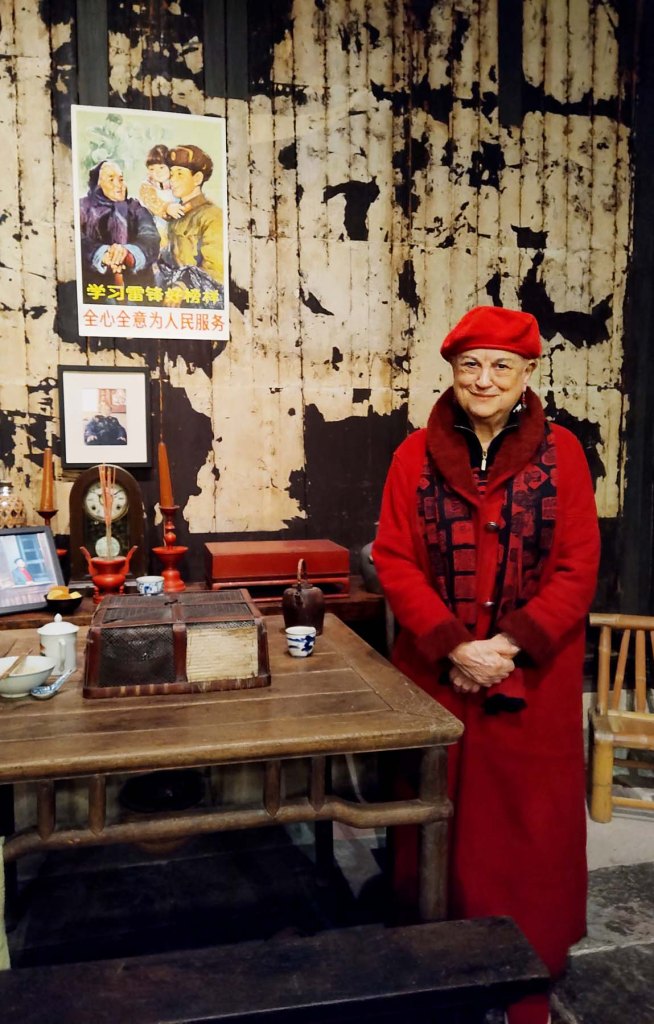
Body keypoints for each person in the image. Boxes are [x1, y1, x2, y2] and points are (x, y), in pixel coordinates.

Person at [373, 306, 600, 1024]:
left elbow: (578, 566)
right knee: (435, 823)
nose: (485, 379)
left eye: (502, 365)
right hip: (437, 673)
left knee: (529, 830)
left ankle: (530, 970)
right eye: (470, 364)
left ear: (528, 373)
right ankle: (438, 961)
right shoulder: (414, 455)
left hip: (531, 678)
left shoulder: (564, 454)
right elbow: (393, 559)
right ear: (452, 370)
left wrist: (503, 648)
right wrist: (454, 646)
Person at [156, 144, 224, 306]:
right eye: (171, 174)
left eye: (180, 174)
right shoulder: (176, 216)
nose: (172, 180)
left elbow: (215, 272)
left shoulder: (212, 216)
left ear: (197, 178)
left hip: (199, 303)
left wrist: (182, 286)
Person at [79, 160, 160, 294]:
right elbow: (76, 239)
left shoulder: (136, 208)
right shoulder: (83, 208)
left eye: (121, 179)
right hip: (96, 288)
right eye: (111, 180)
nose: (119, 185)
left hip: (136, 288)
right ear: (98, 185)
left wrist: (128, 254)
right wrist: (102, 254)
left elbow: (150, 236)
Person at [138, 144, 185, 246]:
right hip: (156, 225)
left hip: (177, 223)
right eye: (152, 169)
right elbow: (151, 201)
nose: (157, 172)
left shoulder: (176, 183)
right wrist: (166, 208)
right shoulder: (147, 186)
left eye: (161, 167)